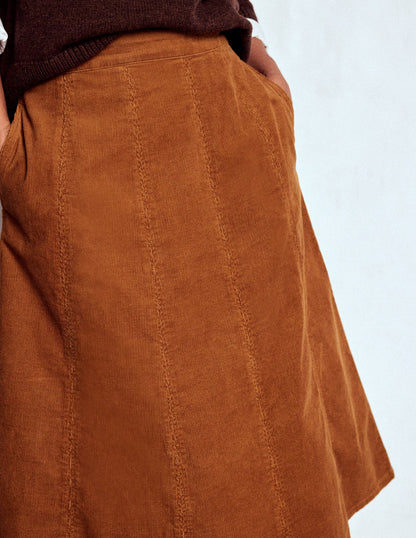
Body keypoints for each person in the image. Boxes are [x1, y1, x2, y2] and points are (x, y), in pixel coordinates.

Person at [0, 2, 394, 537]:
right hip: (76, 131)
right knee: (113, 474)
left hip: (221, 107)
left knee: (269, 468)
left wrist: (253, 50)